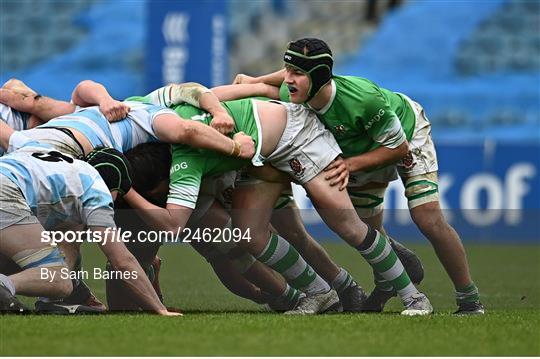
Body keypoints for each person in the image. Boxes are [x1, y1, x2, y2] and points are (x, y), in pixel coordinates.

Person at [122, 87, 433, 315]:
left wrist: (126, 191)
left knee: (344, 225)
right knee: (251, 235)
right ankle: (322, 292)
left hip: (297, 137)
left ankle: (413, 298)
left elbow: (174, 223)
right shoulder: (147, 111)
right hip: (261, 159)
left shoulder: (183, 161)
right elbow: (204, 92)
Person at [234, 37, 483, 315]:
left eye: (298, 74)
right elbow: (282, 79)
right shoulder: (295, 92)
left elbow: (397, 147)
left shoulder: (362, 99)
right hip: (360, 152)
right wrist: (253, 80)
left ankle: (469, 299)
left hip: (406, 136)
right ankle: (394, 273)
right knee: (361, 228)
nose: (288, 80)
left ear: (319, 77)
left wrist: (350, 166)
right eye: (287, 71)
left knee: (426, 217)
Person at [0, 129, 178, 316]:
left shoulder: (39, 147)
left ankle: (58, 298)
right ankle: (5, 285)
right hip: (7, 194)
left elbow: (6, 134)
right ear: (117, 186)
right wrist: (159, 309)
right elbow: (123, 262)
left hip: (9, 184)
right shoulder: (96, 189)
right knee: (59, 280)